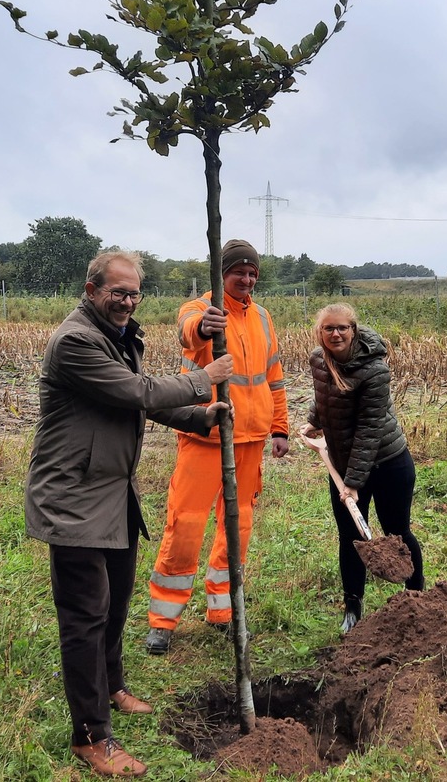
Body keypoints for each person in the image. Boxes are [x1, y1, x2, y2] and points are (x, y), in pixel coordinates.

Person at [25, 250, 233, 778]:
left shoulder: (119, 336)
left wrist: (200, 415)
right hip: (73, 498)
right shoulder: (75, 341)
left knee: (115, 604)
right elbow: (133, 391)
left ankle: (113, 685)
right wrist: (202, 376)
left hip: (113, 492)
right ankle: (90, 737)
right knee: (84, 619)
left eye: (135, 292)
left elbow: (145, 405)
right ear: (91, 288)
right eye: (118, 292)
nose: (127, 301)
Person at [145, 239, 289, 654]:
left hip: (251, 435)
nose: (246, 279)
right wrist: (205, 325)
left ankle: (223, 611)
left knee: (237, 525)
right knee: (186, 523)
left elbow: (273, 376)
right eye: (238, 272)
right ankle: (163, 620)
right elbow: (187, 333)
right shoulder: (199, 309)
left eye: (252, 273)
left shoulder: (262, 317)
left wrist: (279, 427)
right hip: (205, 433)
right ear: (222, 273)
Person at [300, 302, 424, 635]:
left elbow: (370, 428)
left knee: (397, 532)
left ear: (354, 330)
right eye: (329, 328)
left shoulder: (375, 370)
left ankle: (417, 599)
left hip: (387, 463)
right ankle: (352, 607)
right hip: (343, 464)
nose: (336, 333)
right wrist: (314, 422)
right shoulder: (319, 359)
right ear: (320, 332)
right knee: (351, 537)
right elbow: (325, 395)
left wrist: (353, 483)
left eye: (342, 327)